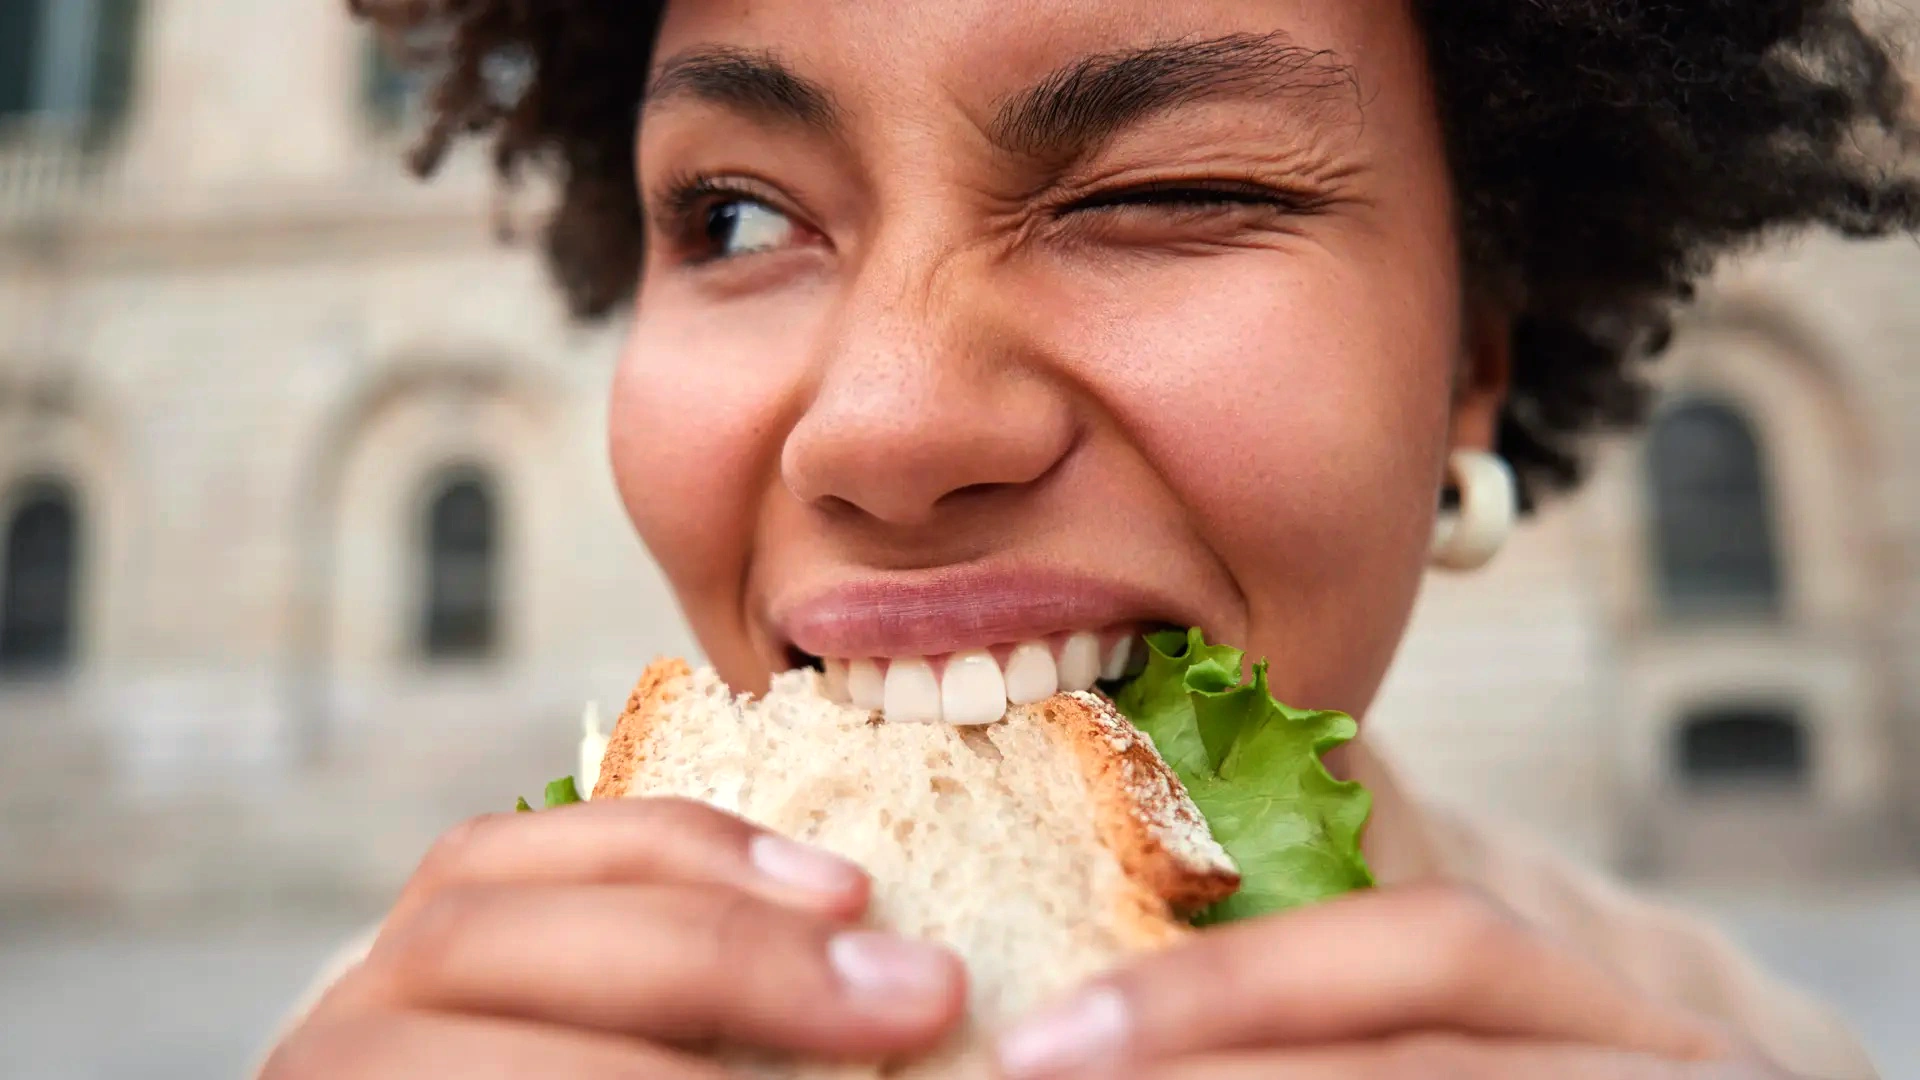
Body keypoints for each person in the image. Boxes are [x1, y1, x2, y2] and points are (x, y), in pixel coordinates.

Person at [264, 1, 1919, 1076]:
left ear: (1469, 365)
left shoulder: (1742, 1047)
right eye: (735, 218)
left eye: (1159, 195)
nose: (886, 429)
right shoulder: (409, 1036)